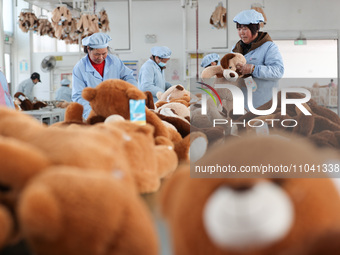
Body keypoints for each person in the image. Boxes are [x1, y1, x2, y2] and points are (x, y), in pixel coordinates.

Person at [72, 32, 137, 119]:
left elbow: (128, 76)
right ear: (88, 49)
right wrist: (92, 115)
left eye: (104, 53)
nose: (101, 58)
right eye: (97, 54)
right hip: (94, 110)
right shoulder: (80, 68)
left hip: (117, 108)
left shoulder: (114, 61)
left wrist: (132, 92)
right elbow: (78, 96)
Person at [232, 9, 284, 110]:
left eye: (245, 29)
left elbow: (278, 71)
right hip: (241, 105)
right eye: (239, 29)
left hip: (263, 104)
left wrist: (253, 69)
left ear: (255, 29)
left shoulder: (269, 47)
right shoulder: (236, 48)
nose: (241, 33)